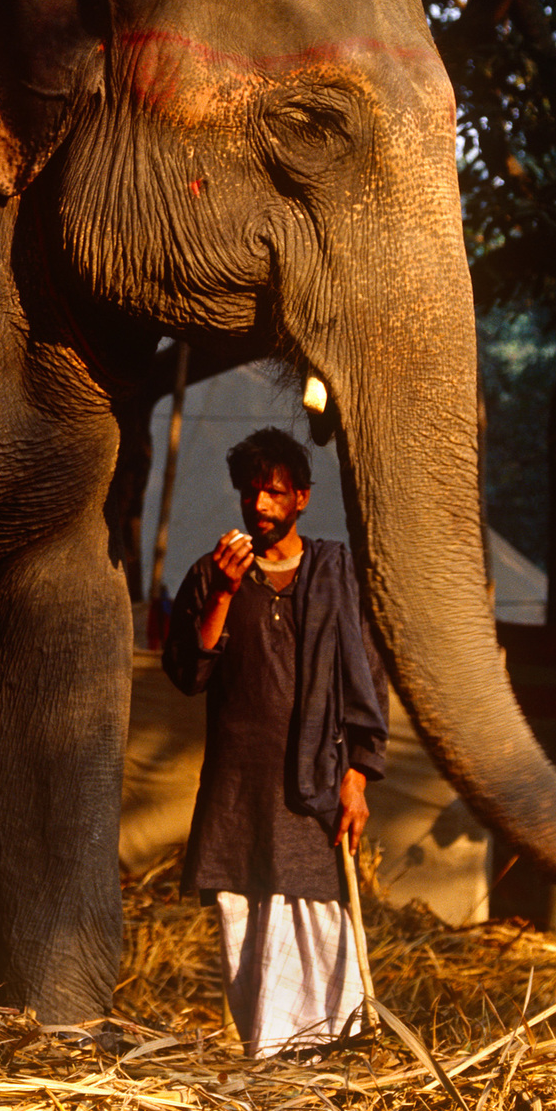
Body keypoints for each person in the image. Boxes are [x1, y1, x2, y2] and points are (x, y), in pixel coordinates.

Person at [160, 429, 387, 1054]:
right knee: (247, 915)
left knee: (319, 915)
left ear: (302, 499)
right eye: (250, 492)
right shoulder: (211, 575)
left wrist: (357, 776)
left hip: (315, 782)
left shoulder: (335, 572)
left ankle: (329, 1057)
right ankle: (270, 1061)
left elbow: (365, 677)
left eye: (275, 492)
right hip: (240, 786)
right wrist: (227, 594)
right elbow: (189, 674)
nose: (260, 505)